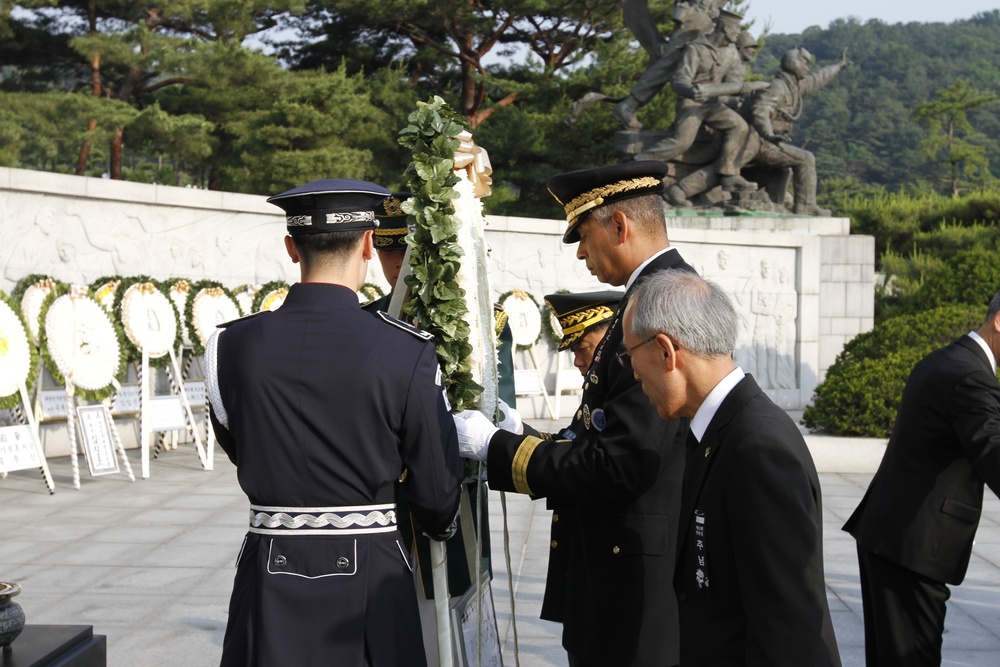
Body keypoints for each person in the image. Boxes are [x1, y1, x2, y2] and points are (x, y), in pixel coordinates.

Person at [204, 178, 464, 667]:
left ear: (290, 247)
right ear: (369, 243)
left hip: (268, 571)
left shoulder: (228, 347)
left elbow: (240, 444)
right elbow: (437, 496)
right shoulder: (405, 350)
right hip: (372, 577)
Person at [454, 160, 694, 667]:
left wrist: (497, 448)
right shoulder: (651, 295)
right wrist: (524, 435)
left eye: (583, 235)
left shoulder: (659, 303)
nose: (582, 252)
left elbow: (621, 462)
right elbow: (600, 430)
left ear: (620, 225)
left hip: (633, 575)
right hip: (617, 560)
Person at [622, 269, 842, 667]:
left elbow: (788, 623)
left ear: (666, 351)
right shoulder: (719, 429)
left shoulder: (757, 447)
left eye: (630, 354)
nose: (633, 373)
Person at [843, 289, 1000, 667]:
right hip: (913, 547)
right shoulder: (971, 377)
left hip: (893, 537)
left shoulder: (946, 360)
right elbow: (992, 448)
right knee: (912, 657)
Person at [634, 10, 765, 193]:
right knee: (682, 141)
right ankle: (638, 164)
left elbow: (733, 84)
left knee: (739, 127)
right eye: (736, 29)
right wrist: (692, 91)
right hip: (691, 103)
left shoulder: (731, 53)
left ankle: (729, 175)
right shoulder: (695, 48)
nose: (737, 34)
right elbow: (679, 82)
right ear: (726, 28)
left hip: (714, 104)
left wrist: (736, 94)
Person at [742, 46, 851, 215]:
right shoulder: (779, 87)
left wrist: (838, 66)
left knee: (784, 169)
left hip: (771, 142)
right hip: (763, 143)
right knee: (806, 159)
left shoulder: (793, 87)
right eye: (805, 63)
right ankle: (806, 206)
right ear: (794, 63)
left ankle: (777, 205)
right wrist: (769, 134)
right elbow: (760, 109)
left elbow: (818, 79)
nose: (808, 68)